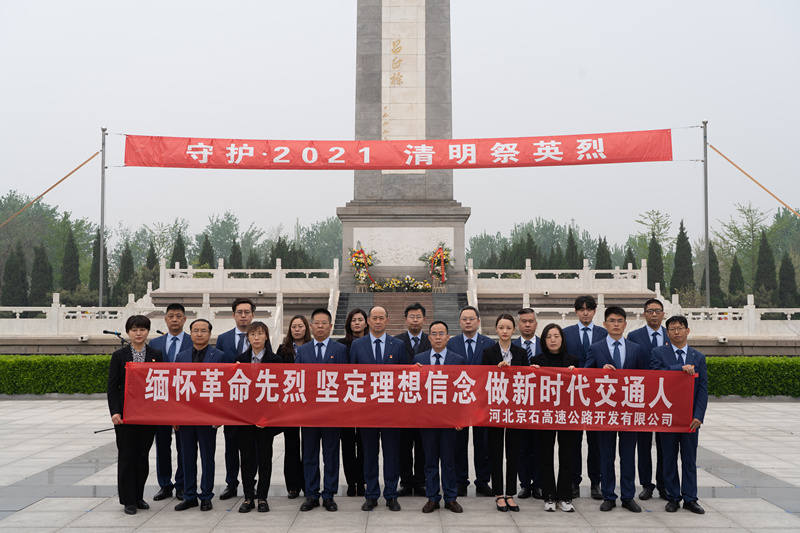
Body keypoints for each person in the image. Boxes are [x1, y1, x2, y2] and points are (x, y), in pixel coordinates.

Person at [586, 306, 646, 513]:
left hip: (629, 411)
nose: (616, 324)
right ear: (604, 324)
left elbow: (645, 379)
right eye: (612, 320)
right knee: (606, 456)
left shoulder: (635, 348)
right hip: (606, 411)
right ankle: (609, 495)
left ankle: (628, 496)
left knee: (628, 456)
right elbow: (586, 377)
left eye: (620, 321)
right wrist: (599, 372)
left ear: (625, 324)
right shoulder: (596, 348)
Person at [350, 305, 407, 512]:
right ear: (368, 321)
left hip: (391, 411)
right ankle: (371, 494)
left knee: (391, 454)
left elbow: (404, 377)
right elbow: (352, 376)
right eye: (374, 318)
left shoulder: (398, 345)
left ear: (387, 321)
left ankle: (391, 494)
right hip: (367, 411)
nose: (377, 321)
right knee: (369, 453)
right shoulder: (357, 345)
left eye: (381, 318)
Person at [651, 316, 708, 515]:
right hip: (667, 417)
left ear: (687, 331)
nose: (677, 332)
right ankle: (673, 497)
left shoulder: (698, 357)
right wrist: (678, 368)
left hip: (690, 419)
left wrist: (699, 416)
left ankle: (691, 498)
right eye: (672, 329)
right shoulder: (658, 353)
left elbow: (702, 389)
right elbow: (655, 375)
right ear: (667, 333)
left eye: (680, 328)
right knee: (668, 459)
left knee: (689, 459)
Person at [107, 315, 162, 515]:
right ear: (128, 332)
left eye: (142, 329)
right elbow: (112, 387)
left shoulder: (156, 354)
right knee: (127, 457)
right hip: (126, 415)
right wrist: (115, 411)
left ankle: (138, 496)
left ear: (148, 331)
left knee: (142, 456)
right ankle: (128, 499)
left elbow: (161, 384)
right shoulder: (119, 356)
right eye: (134, 330)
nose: (138, 333)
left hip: (147, 415)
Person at [295, 309, 348, 512]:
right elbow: (297, 379)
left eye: (324, 323)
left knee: (331, 454)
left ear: (331, 326)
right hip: (309, 413)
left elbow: (344, 381)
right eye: (316, 322)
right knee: (309, 455)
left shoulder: (340, 349)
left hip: (331, 413)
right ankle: (311, 494)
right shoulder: (303, 350)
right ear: (311, 326)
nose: (320, 326)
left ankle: (329, 495)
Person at [174, 319, 227, 511]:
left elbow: (224, 387)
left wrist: (220, 415)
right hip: (186, 416)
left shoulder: (219, 356)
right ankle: (189, 495)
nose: (199, 334)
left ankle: (206, 495)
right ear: (190, 333)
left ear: (210, 334)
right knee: (187, 457)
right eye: (195, 330)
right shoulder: (181, 357)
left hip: (208, 415)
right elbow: (176, 388)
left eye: (203, 330)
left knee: (207, 456)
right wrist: (175, 415)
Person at [413, 321, 464, 514]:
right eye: (434, 334)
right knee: (430, 460)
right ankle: (432, 497)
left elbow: (463, 391)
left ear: (448, 337)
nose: (438, 337)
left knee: (449, 460)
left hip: (450, 420)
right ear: (429, 338)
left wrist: (461, 418)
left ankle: (450, 498)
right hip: (428, 419)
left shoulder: (458, 360)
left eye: (441, 333)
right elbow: (414, 389)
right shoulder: (419, 359)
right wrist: (414, 373)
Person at [446, 305, 495, 497]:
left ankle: (482, 481)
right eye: (464, 319)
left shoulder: (489, 343)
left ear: (478, 321)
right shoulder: (451, 343)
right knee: (458, 443)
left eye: (471, 319)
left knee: (483, 443)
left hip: (482, 401)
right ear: (459, 322)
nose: (468, 322)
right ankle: (460, 481)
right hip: (458, 401)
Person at [530, 323, 579, 512]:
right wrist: (532, 373)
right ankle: (549, 496)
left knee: (567, 457)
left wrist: (576, 374)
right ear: (543, 340)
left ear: (562, 339)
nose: (553, 340)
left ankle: (565, 497)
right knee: (546, 456)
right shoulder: (537, 360)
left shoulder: (573, 360)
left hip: (566, 415)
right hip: (545, 415)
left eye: (556, 336)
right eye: (549, 336)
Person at [563, 295, 607, 499]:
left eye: (589, 309)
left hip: (597, 396)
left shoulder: (603, 333)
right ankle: (573, 481)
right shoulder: (566, 334)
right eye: (581, 309)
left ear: (595, 311)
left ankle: (596, 482)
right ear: (576, 312)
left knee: (595, 442)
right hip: (572, 395)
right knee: (573, 441)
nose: (585, 312)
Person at [482, 314, 528, 512]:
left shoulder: (521, 352)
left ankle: (510, 493)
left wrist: (513, 369)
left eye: (508, 327)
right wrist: (497, 369)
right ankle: (498, 494)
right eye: (501, 327)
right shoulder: (488, 352)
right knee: (495, 452)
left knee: (513, 452)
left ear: (514, 330)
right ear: (496, 329)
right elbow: (483, 378)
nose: (505, 331)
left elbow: (526, 377)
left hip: (515, 409)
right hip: (495, 409)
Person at [235, 321, 282, 513]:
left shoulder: (276, 360)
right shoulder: (239, 360)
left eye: (260, 333)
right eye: (253, 334)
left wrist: (269, 417)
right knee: (246, 459)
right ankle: (248, 497)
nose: (256, 337)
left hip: (265, 419)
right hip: (245, 419)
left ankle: (262, 497)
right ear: (248, 338)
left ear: (266, 337)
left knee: (264, 458)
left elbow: (279, 392)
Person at [626, 298, 670, 500]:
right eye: (650, 311)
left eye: (657, 311)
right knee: (643, 444)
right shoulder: (634, 336)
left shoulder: (671, 334)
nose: (654, 314)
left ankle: (664, 484)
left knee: (665, 444)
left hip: (665, 398)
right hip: (642, 397)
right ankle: (646, 484)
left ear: (663, 314)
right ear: (644, 314)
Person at [214, 297, 258, 501]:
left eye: (247, 312)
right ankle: (231, 483)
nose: (243, 316)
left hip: (253, 401)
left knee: (252, 447)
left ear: (253, 315)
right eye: (239, 312)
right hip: (231, 401)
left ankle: (251, 483)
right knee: (231, 445)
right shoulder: (223, 339)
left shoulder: (260, 337)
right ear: (233, 315)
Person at [149, 303, 192, 502]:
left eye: (178, 316)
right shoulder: (155, 343)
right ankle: (165, 484)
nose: (175, 319)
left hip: (185, 402)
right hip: (161, 401)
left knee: (184, 445)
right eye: (171, 316)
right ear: (165, 319)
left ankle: (182, 485)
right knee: (162, 444)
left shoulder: (193, 341)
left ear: (185, 319)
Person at [395, 302, 431, 497]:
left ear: (424, 319)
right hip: (404, 402)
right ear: (405, 319)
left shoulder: (431, 339)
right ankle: (406, 481)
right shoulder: (396, 341)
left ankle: (421, 481)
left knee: (423, 445)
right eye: (412, 317)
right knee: (404, 445)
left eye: (418, 317)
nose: (415, 320)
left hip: (426, 402)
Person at [276, 314, 311, 499]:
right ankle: (293, 485)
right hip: (289, 402)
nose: (297, 330)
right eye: (294, 327)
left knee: (309, 445)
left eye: (300, 326)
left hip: (309, 403)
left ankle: (308, 483)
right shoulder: (283, 350)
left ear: (306, 328)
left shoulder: (312, 347)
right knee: (291, 445)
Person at [336, 308, 368, 497]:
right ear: (348, 323)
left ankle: (362, 481)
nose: (357, 323)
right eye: (353, 320)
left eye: (360, 319)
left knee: (364, 444)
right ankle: (350, 482)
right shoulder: (340, 345)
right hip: (345, 402)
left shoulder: (370, 344)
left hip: (366, 401)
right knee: (347, 444)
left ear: (366, 322)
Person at [512, 308, 543, 500]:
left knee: (539, 448)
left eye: (531, 321)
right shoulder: (511, 347)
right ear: (518, 325)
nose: (527, 324)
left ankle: (538, 484)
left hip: (541, 405)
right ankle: (524, 484)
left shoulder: (545, 345)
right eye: (524, 321)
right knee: (521, 449)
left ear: (536, 324)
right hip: (519, 406)